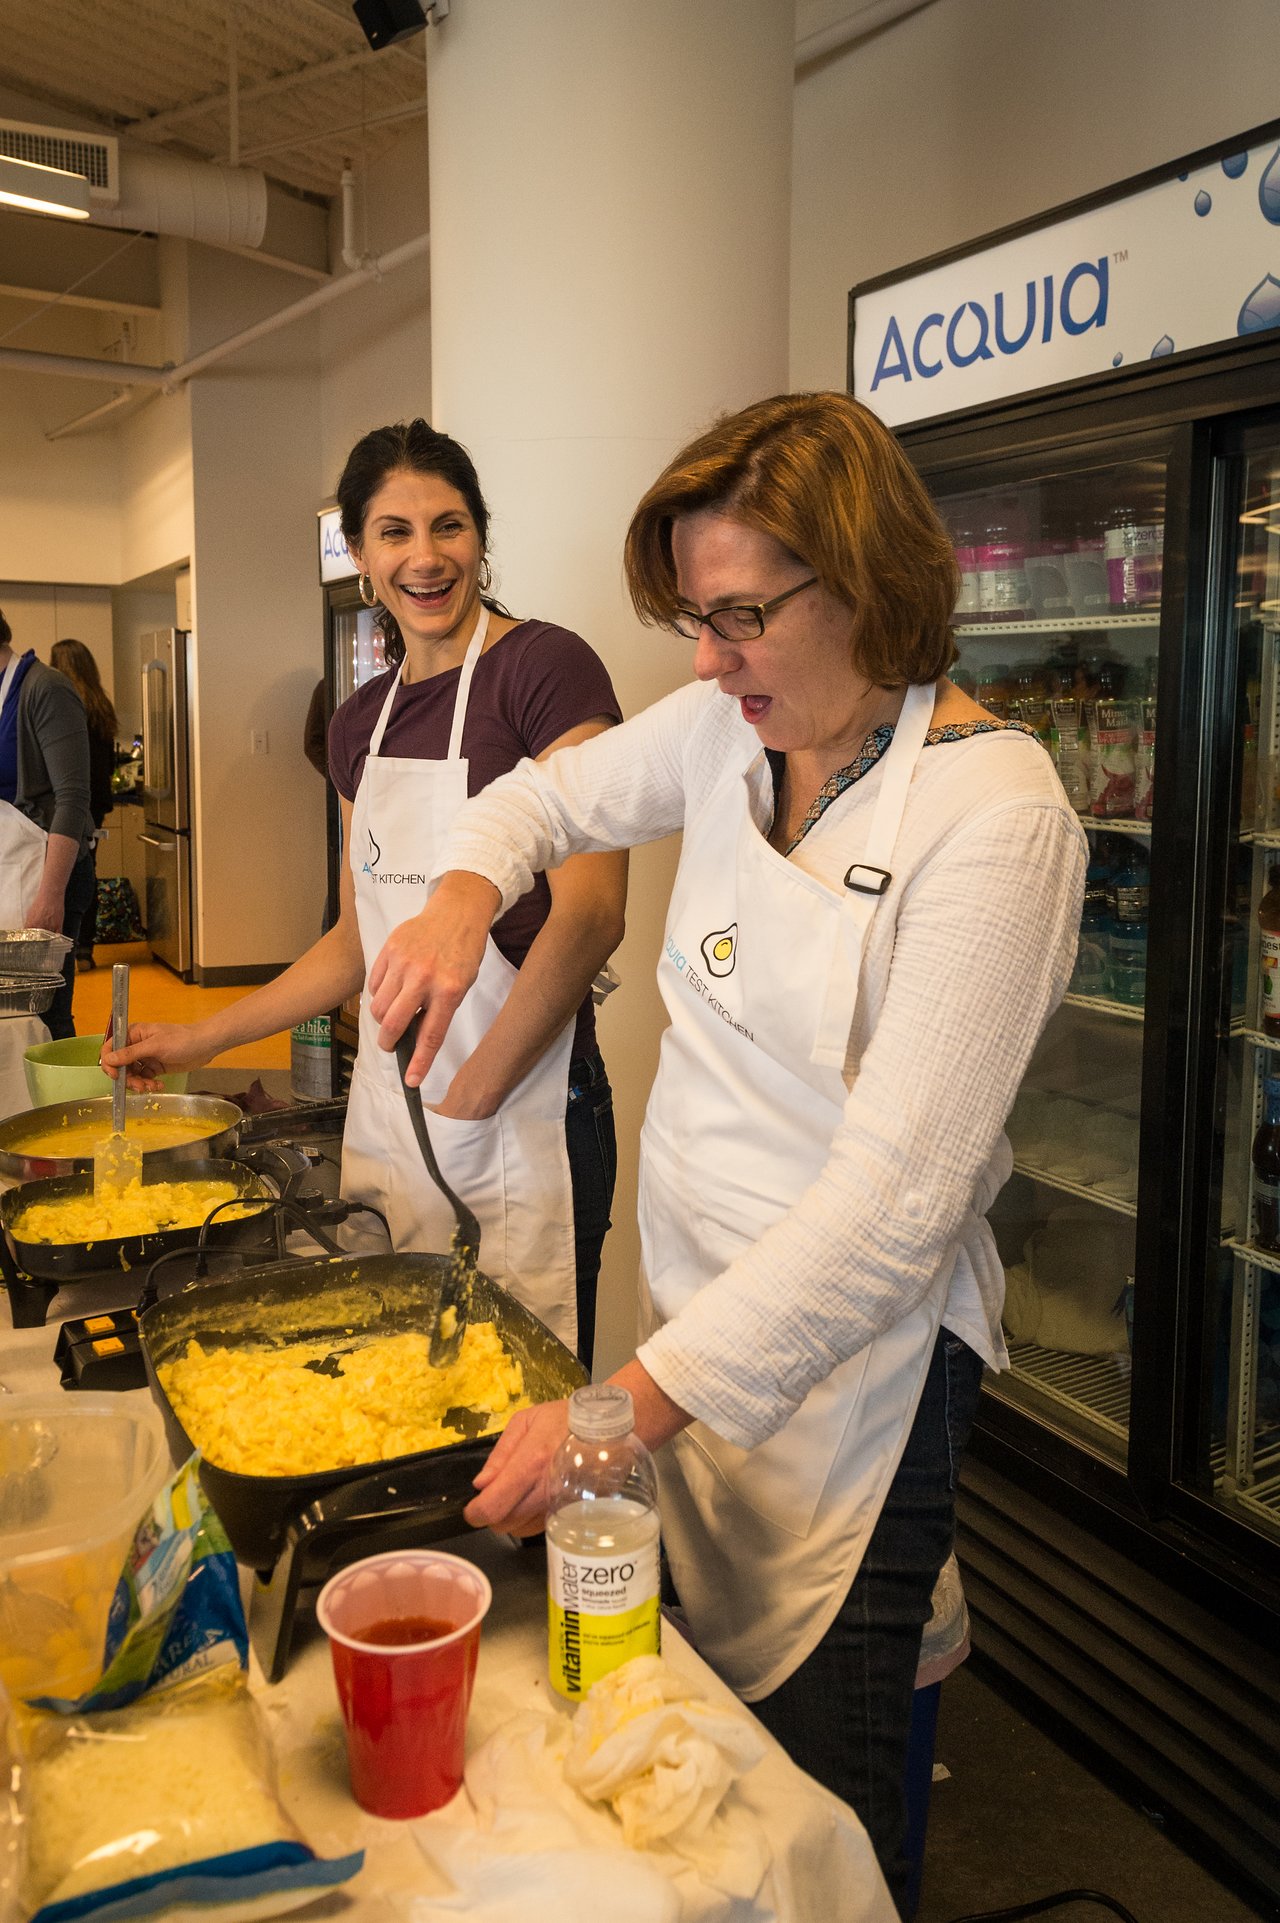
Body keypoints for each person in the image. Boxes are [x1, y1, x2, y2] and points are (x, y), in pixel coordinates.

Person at [364, 392, 1086, 1908]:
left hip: (855, 1391)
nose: (707, 659)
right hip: (688, 1338)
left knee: (808, 1807)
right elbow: (546, 796)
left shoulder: (996, 815)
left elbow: (893, 1215)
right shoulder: (724, 727)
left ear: (871, 586)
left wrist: (615, 1411)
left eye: (742, 615)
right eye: (696, 617)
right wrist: (454, 890)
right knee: (684, 1746)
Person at [105, 420, 627, 1367]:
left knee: (527, 1396)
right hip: (390, 1108)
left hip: (524, 1106)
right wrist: (201, 1036)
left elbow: (592, 913)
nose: (425, 558)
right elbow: (357, 938)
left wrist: (473, 1096)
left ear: (481, 537)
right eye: (394, 531)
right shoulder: (358, 724)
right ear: (357, 551)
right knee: (401, 1381)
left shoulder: (545, 671)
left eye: (449, 526)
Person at [0, 609, 95, 1039]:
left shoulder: (45, 689)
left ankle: (62, 1106)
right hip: (11, 872)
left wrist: (50, 895)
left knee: (45, 1011)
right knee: (14, 1014)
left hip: (50, 875)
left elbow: (73, 798)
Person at [50, 638, 118, 971]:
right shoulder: (101, 704)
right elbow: (110, 760)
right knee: (87, 873)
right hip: (98, 803)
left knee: (64, 875)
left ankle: (64, 948)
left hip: (68, 802)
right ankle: (84, 950)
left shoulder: (61, 702)